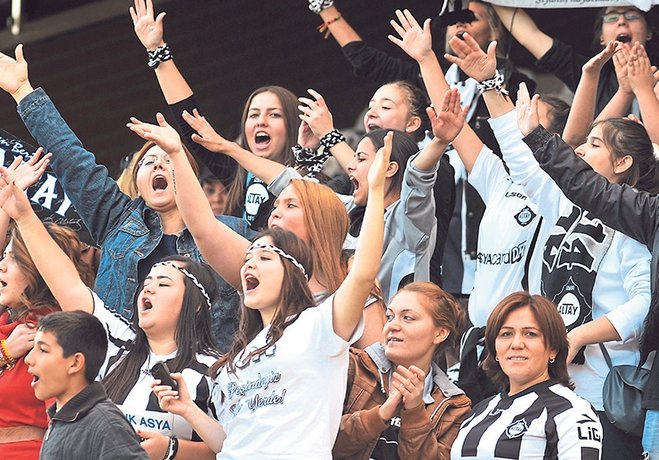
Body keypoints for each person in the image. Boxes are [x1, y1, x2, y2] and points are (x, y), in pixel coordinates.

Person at [146, 131, 391, 458]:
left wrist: (376, 190)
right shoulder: (241, 354)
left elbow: (363, 272)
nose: (249, 263)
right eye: (249, 257)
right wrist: (189, 410)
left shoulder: (319, 324)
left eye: (264, 257)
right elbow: (231, 442)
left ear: (293, 270)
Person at [0, 44, 254, 352]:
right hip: (122, 371)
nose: (158, 165)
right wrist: (22, 91)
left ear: (191, 177)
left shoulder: (235, 231)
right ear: (137, 182)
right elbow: (71, 159)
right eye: (149, 162)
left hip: (207, 374)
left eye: (170, 158)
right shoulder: (116, 219)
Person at [308, 0, 536, 300]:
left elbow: (510, 141)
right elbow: (367, 61)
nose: (460, 23)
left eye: (471, 17)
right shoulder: (421, 82)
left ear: (494, 30)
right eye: (452, 19)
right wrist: (326, 8)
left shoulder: (514, 84)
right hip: (430, 269)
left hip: (484, 225)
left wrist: (331, 138)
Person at [0, 162, 222, 459]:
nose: (149, 289)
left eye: (163, 283)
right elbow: (68, 284)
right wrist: (24, 216)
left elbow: (237, 445)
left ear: (195, 304)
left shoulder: (217, 369)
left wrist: (172, 450)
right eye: (147, 282)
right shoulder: (118, 344)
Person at [515, 88, 659, 460]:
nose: (579, 149)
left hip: (604, 397)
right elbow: (527, 165)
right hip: (555, 391)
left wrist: (577, 336)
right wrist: (491, 85)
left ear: (623, 162)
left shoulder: (636, 224)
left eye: (594, 144)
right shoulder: (565, 206)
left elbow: (646, 305)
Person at [130, 0, 298, 228]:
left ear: (292, 126)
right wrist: (157, 50)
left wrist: (227, 146)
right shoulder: (237, 174)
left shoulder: (309, 178)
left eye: (274, 115)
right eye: (253, 115)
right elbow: (190, 121)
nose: (261, 122)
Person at [0, 149, 94, 460]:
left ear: (36, 268)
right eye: (3, 256)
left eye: (12, 259)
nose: (1, 265)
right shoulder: (5, 326)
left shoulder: (61, 330)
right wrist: (5, 352)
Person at [450, 292, 603, 459]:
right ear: (495, 350)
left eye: (530, 334)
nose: (516, 344)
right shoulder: (479, 411)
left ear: (553, 349)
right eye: (506, 334)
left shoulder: (570, 411)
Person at [333, 282, 471, 459]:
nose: (392, 326)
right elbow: (318, 441)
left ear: (440, 333)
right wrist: (380, 415)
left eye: (408, 318)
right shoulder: (352, 367)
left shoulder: (455, 406)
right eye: (390, 317)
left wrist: (415, 412)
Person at [25, 311, 149, 460]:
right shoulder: (61, 418)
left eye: (43, 350)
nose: (28, 359)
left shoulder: (107, 425)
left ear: (75, 363)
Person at [493, 4, 657, 115]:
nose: (622, 21)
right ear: (601, 37)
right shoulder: (590, 74)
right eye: (612, 17)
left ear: (649, 32)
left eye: (632, 15)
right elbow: (531, 36)